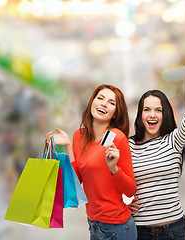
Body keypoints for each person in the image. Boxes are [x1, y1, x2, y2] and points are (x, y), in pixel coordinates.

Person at [45, 84, 137, 240]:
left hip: (118, 228)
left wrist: (113, 168)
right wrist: (67, 146)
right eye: (100, 98)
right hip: (94, 224)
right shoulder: (79, 136)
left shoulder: (117, 138)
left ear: (115, 113)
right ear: (92, 102)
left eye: (111, 102)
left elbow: (130, 190)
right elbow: (77, 181)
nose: (103, 104)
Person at [128, 59, 185, 240]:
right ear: (140, 115)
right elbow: (115, 180)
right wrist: (124, 201)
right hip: (140, 231)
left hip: (173, 230)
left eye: (158, 110)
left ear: (165, 114)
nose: (152, 114)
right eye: (147, 109)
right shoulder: (128, 145)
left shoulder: (173, 141)